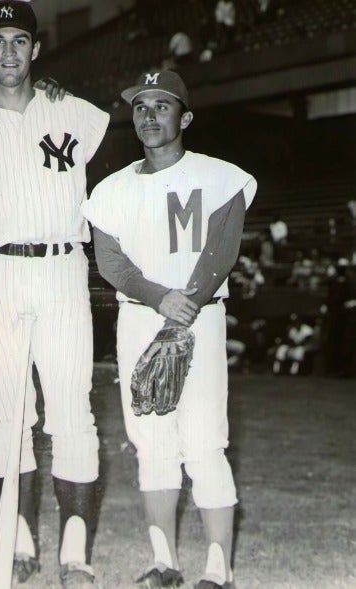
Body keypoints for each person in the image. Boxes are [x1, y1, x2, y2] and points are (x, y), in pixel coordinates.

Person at [0, 2, 110, 586]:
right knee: (9, 413)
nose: (9, 51)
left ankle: (76, 547)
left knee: (72, 409)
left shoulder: (78, 115)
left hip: (61, 268)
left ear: (37, 50)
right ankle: (24, 535)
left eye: (20, 40)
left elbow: (113, 197)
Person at [82, 69, 257, 589]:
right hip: (139, 318)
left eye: (162, 105)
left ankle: (217, 569)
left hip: (199, 318)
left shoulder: (220, 175)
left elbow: (223, 247)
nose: (150, 115)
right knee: (151, 441)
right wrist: (160, 299)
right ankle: (165, 562)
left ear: (185, 116)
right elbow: (111, 262)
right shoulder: (110, 188)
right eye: (141, 107)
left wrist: (185, 305)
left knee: (203, 441)